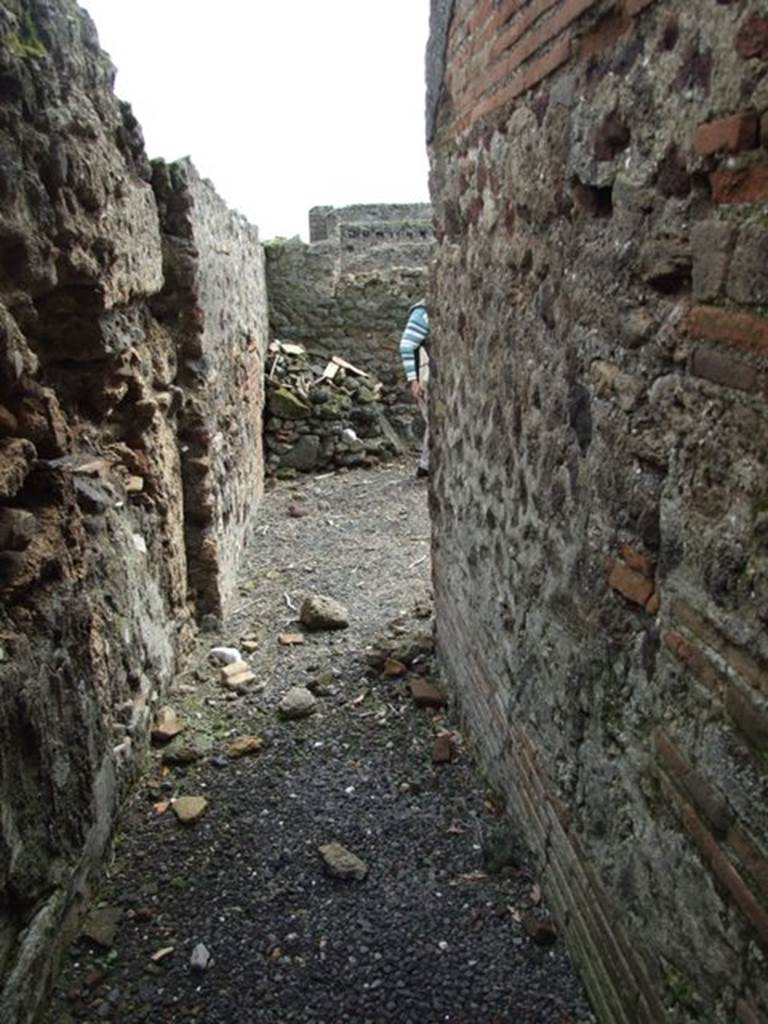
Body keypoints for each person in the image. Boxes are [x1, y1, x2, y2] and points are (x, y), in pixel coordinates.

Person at [399, 300, 430, 478]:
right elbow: (406, 345)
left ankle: (426, 466)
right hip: (426, 378)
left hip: (429, 377)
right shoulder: (422, 312)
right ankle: (426, 465)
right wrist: (414, 380)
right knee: (435, 422)